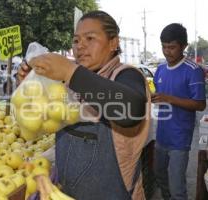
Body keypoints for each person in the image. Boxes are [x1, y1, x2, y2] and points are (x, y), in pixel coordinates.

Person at [18, 10, 151, 200]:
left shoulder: (126, 76)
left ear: (113, 43)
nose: (80, 46)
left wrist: (70, 71)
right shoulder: (70, 84)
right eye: (76, 40)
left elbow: (131, 111)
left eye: (90, 38)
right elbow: (41, 120)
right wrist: (29, 85)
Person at [152, 23, 206, 200]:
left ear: (184, 46)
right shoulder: (159, 70)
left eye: (172, 47)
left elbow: (200, 104)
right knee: (159, 176)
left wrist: (169, 98)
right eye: (164, 47)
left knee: (177, 187)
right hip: (161, 136)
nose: (167, 52)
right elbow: (159, 95)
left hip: (179, 139)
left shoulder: (193, 71)